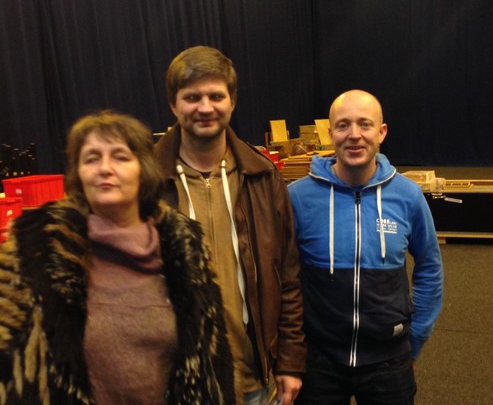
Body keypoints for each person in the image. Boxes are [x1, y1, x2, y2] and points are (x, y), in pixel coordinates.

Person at [0, 110, 235, 404]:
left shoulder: (188, 251)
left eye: (120, 157)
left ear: (143, 170)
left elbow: (214, 368)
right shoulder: (33, 252)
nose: (105, 168)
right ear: (77, 173)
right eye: (91, 158)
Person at [154, 45, 305, 405]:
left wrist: (290, 361)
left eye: (216, 96)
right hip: (171, 381)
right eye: (192, 97)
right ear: (173, 105)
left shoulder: (262, 176)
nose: (205, 107)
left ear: (232, 101)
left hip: (249, 376)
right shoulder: (146, 181)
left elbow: (287, 276)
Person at [287, 89, 444, 405]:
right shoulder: (298, 197)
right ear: (330, 133)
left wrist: (415, 338)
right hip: (318, 362)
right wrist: (289, 352)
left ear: (381, 132)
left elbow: (429, 267)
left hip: (389, 359)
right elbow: (281, 279)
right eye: (343, 125)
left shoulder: (408, 196)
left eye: (365, 124)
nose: (354, 135)